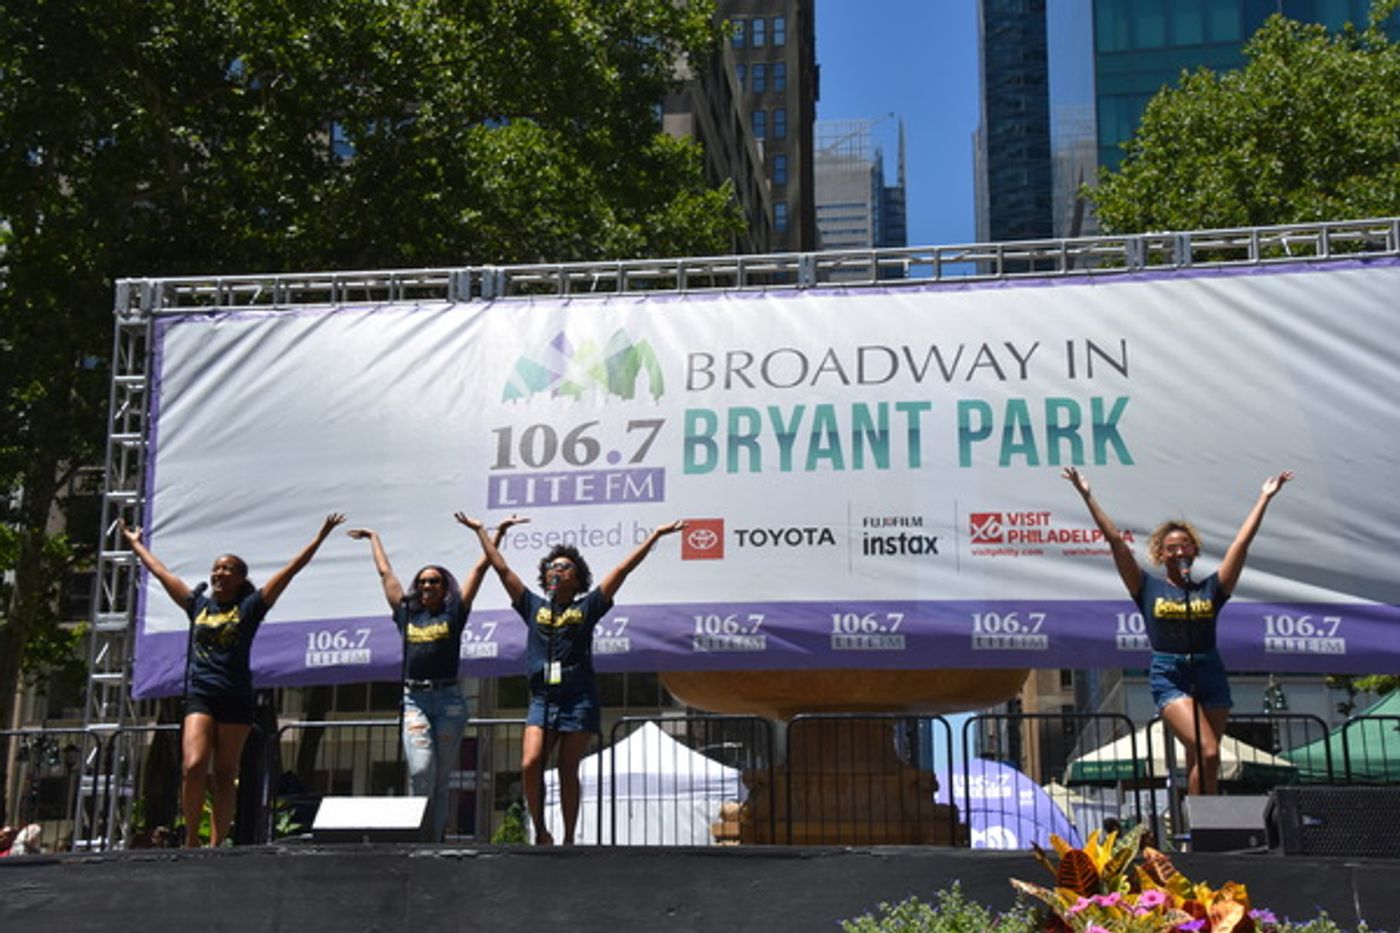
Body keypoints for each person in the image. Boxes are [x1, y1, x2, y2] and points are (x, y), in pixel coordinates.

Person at [456, 513, 685, 845]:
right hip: (542, 699)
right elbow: (502, 569)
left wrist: (655, 535)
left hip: (579, 699)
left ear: (577, 579)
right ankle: (541, 830)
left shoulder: (588, 606)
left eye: (565, 567)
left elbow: (622, 571)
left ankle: (567, 839)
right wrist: (482, 531)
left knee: (567, 769)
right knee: (531, 762)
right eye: (552, 566)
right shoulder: (533, 605)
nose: (557, 570)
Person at [1063, 467, 1293, 795]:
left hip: (1209, 669)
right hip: (1169, 673)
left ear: (1194, 551)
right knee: (1209, 750)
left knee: (1205, 760)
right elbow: (1116, 544)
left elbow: (1241, 544)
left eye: (1186, 545)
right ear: (1161, 554)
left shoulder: (1211, 588)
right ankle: (1204, 821)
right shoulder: (1147, 588)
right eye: (1172, 547)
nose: (1180, 551)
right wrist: (1087, 495)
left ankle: (1203, 824)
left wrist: (1264, 498)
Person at [120, 513, 345, 846]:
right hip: (201, 695)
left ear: (240, 578)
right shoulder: (197, 604)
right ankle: (191, 840)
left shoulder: (250, 607)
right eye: (216, 568)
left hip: (235, 697)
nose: (219, 573)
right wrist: (137, 545)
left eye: (227, 569)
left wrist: (320, 537)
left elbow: (291, 571)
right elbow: (161, 572)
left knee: (225, 774)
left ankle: (216, 844)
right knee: (194, 765)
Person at [346, 516, 526, 841]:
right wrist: (373, 537)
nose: (427, 586)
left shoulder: (454, 613)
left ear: (445, 589)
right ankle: (418, 838)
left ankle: (434, 843)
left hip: (449, 703)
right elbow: (386, 574)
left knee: (441, 780)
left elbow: (480, 569)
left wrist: (490, 532)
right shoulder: (406, 614)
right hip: (414, 700)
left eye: (434, 582)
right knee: (420, 771)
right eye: (423, 582)